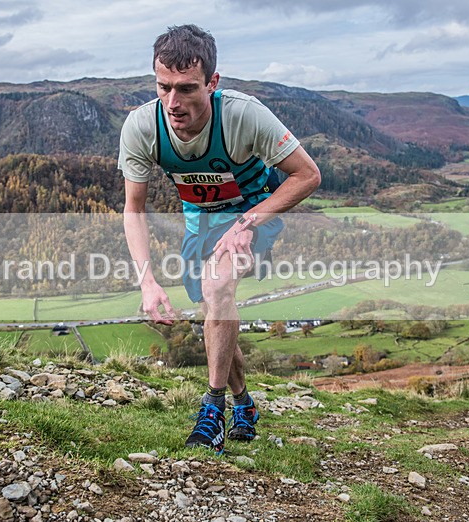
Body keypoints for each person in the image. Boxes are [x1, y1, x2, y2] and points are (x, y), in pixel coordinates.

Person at [119, 24, 320, 453]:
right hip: (200, 227)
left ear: (212, 82)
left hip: (253, 215)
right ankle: (244, 403)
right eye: (163, 87)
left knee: (217, 287)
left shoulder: (243, 115)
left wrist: (247, 223)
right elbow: (134, 208)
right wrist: (147, 281)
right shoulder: (142, 126)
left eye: (186, 88)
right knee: (215, 313)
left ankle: (212, 412)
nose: (173, 103)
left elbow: (307, 175)